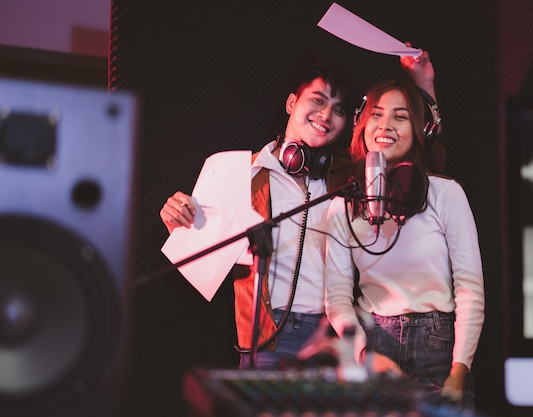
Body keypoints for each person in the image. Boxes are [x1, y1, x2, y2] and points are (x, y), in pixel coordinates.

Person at [160, 52, 446, 370]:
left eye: (338, 109)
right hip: (267, 340)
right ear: (291, 103)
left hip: (332, 338)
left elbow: (418, 164)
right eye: (318, 100)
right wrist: (179, 217)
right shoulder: (241, 173)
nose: (326, 114)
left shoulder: (352, 175)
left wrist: (424, 82)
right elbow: (201, 246)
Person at [323, 78, 485, 408]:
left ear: (419, 129)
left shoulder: (446, 194)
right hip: (374, 341)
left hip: (439, 346)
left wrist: (458, 369)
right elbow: (338, 296)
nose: (385, 126)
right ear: (362, 123)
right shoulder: (341, 205)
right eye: (377, 115)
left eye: (400, 116)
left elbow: (469, 287)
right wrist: (364, 354)